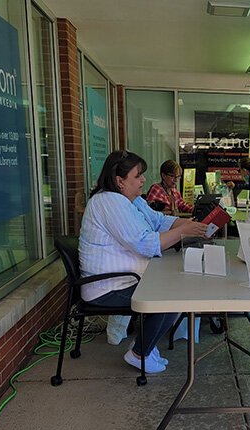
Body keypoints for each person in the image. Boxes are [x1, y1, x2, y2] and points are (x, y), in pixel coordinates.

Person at [79, 150, 208, 372]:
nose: (144, 180)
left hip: (125, 280)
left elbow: (159, 221)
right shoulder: (108, 202)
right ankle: (140, 353)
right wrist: (183, 231)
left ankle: (145, 347)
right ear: (120, 181)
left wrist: (193, 226)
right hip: (107, 287)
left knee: (174, 290)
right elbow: (145, 243)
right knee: (168, 297)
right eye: (138, 175)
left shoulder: (132, 200)